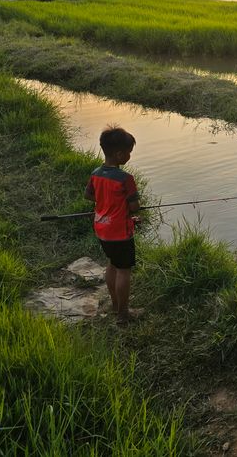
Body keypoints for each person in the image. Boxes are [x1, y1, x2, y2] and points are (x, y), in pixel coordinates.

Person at [84, 126, 140, 325]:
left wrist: (105, 202)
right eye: (129, 152)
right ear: (119, 154)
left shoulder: (96, 173)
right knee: (124, 270)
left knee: (112, 264)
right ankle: (123, 314)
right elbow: (134, 206)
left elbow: (88, 195)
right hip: (120, 233)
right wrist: (127, 210)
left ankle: (116, 305)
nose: (129, 156)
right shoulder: (126, 179)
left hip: (102, 229)